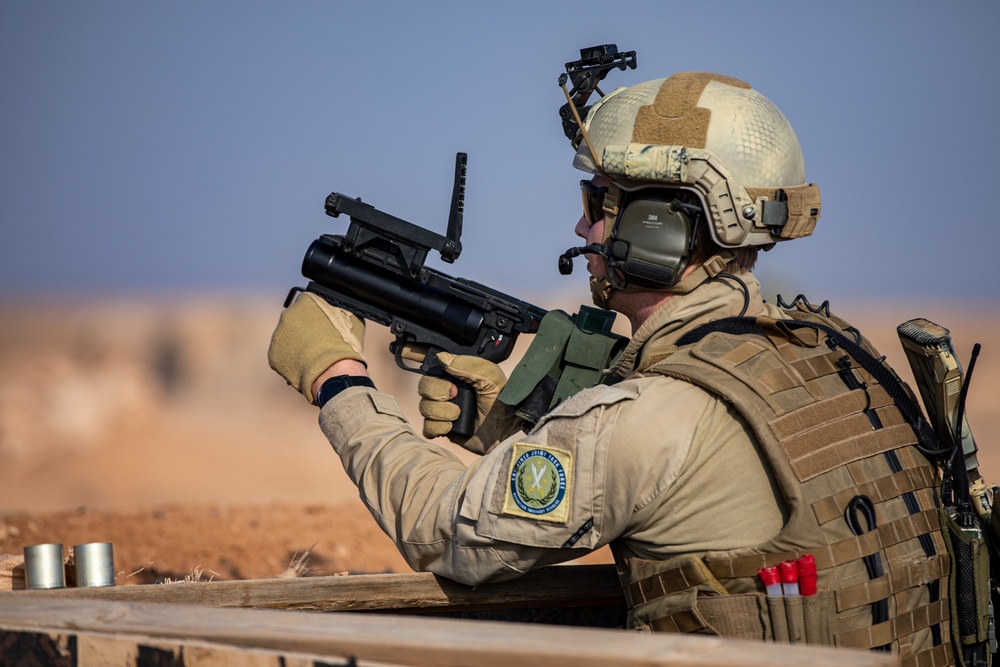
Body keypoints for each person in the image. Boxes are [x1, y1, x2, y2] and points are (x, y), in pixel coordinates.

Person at [269, 71, 957, 662]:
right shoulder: (837, 356)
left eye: (598, 204)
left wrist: (339, 378)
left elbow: (443, 527)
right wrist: (505, 422)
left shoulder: (649, 418)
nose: (582, 230)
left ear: (660, 226)